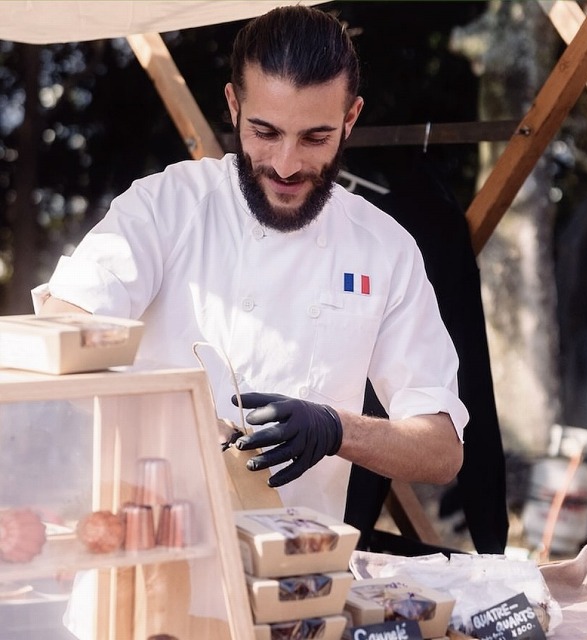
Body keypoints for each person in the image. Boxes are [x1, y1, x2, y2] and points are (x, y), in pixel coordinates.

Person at [33, 4, 469, 628]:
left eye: (315, 137)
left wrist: (336, 430)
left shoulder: (385, 249)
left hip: (290, 604)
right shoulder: (166, 206)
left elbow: (442, 450)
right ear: (233, 106)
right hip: (139, 588)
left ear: (350, 118)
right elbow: (64, 323)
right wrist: (177, 417)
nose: (287, 164)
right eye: (265, 132)